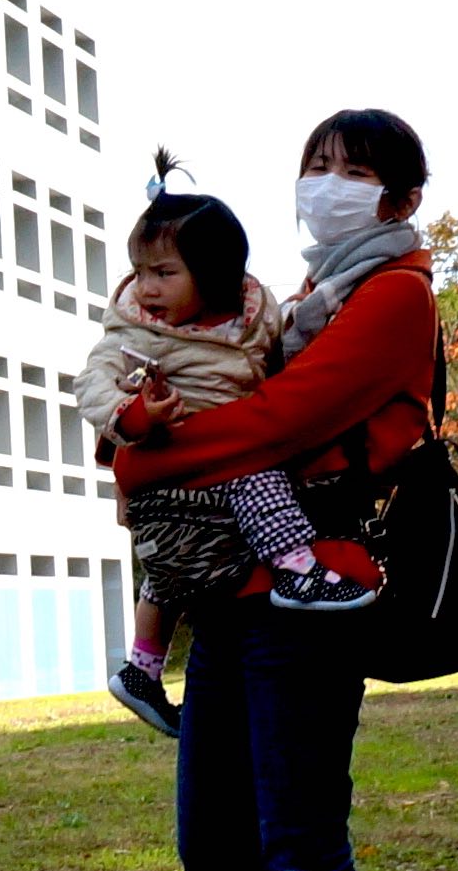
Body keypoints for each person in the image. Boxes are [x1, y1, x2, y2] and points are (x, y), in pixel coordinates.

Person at [112, 110, 440, 871]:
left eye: (356, 169)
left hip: (312, 596)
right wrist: (145, 450)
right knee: (213, 846)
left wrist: (140, 465)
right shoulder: (299, 301)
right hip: (230, 596)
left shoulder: (394, 298)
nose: (329, 181)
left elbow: (277, 425)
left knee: (298, 844)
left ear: (401, 198)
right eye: (318, 163)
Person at [75, 178, 369, 742]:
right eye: (140, 272)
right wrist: (136, 416)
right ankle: (299, 570)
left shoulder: (255, 317)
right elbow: (93, 383)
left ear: (215, 274)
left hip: (203, 466)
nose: (147, 287)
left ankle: (143, 667)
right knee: (256, 481)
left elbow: (283, 359)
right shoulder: (138, 331)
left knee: (178, 565)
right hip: (179, 457)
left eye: (164, 273)